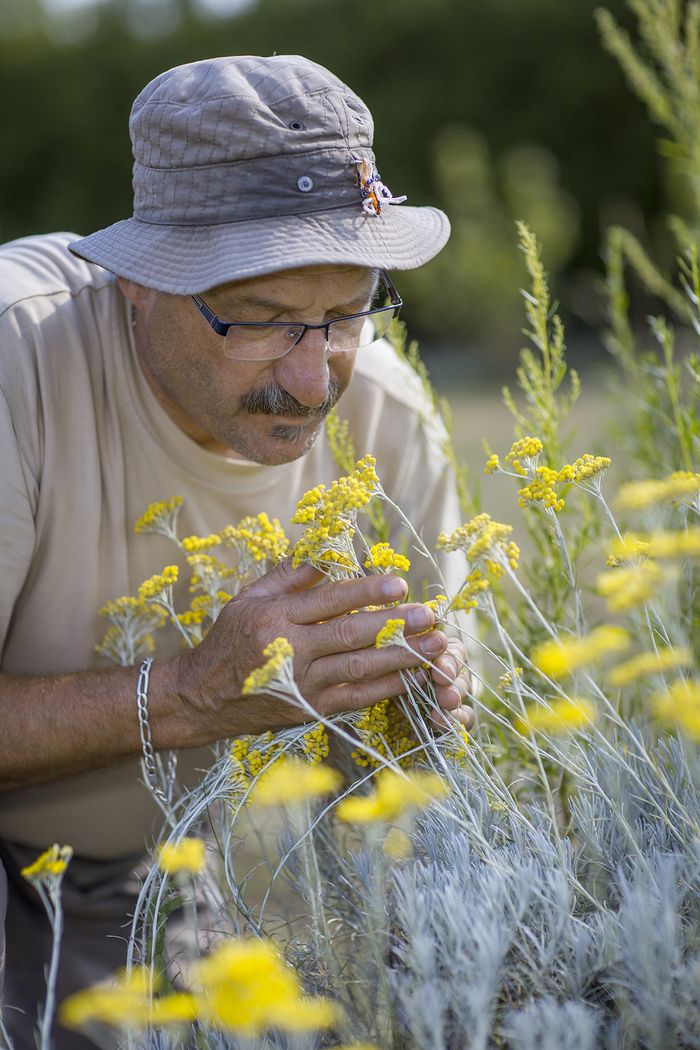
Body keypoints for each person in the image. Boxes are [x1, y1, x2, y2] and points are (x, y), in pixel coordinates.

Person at [0, 55, 474, 1048]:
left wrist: (427, 711)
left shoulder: (385, 418)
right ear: (137, 279)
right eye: (257, 324)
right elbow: (196, 701)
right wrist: (188, 693)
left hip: (147, 875)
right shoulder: (17, 361)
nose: (312, 381)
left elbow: (405, 796)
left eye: (346, 314)